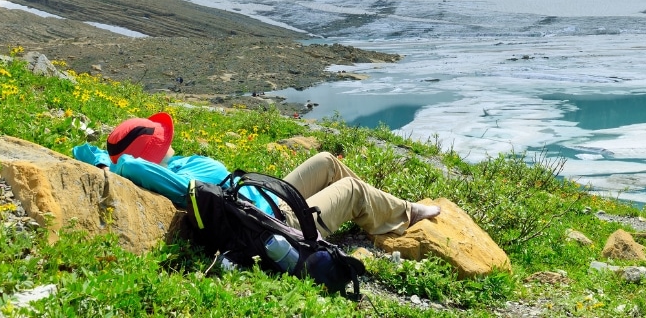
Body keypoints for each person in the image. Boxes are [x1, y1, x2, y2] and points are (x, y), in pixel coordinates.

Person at [72, 112, 440, 237]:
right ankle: (402, 213)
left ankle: (382, 209)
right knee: (352, 189)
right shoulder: (169, 177)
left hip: (273, 196)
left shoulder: (171, 162)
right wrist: (122, 166)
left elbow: (84, 151)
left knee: (327, 160)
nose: (167, 140)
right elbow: (132, 165)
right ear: (152, 153)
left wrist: (106, 158)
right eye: (160, 140)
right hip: (279, 221)